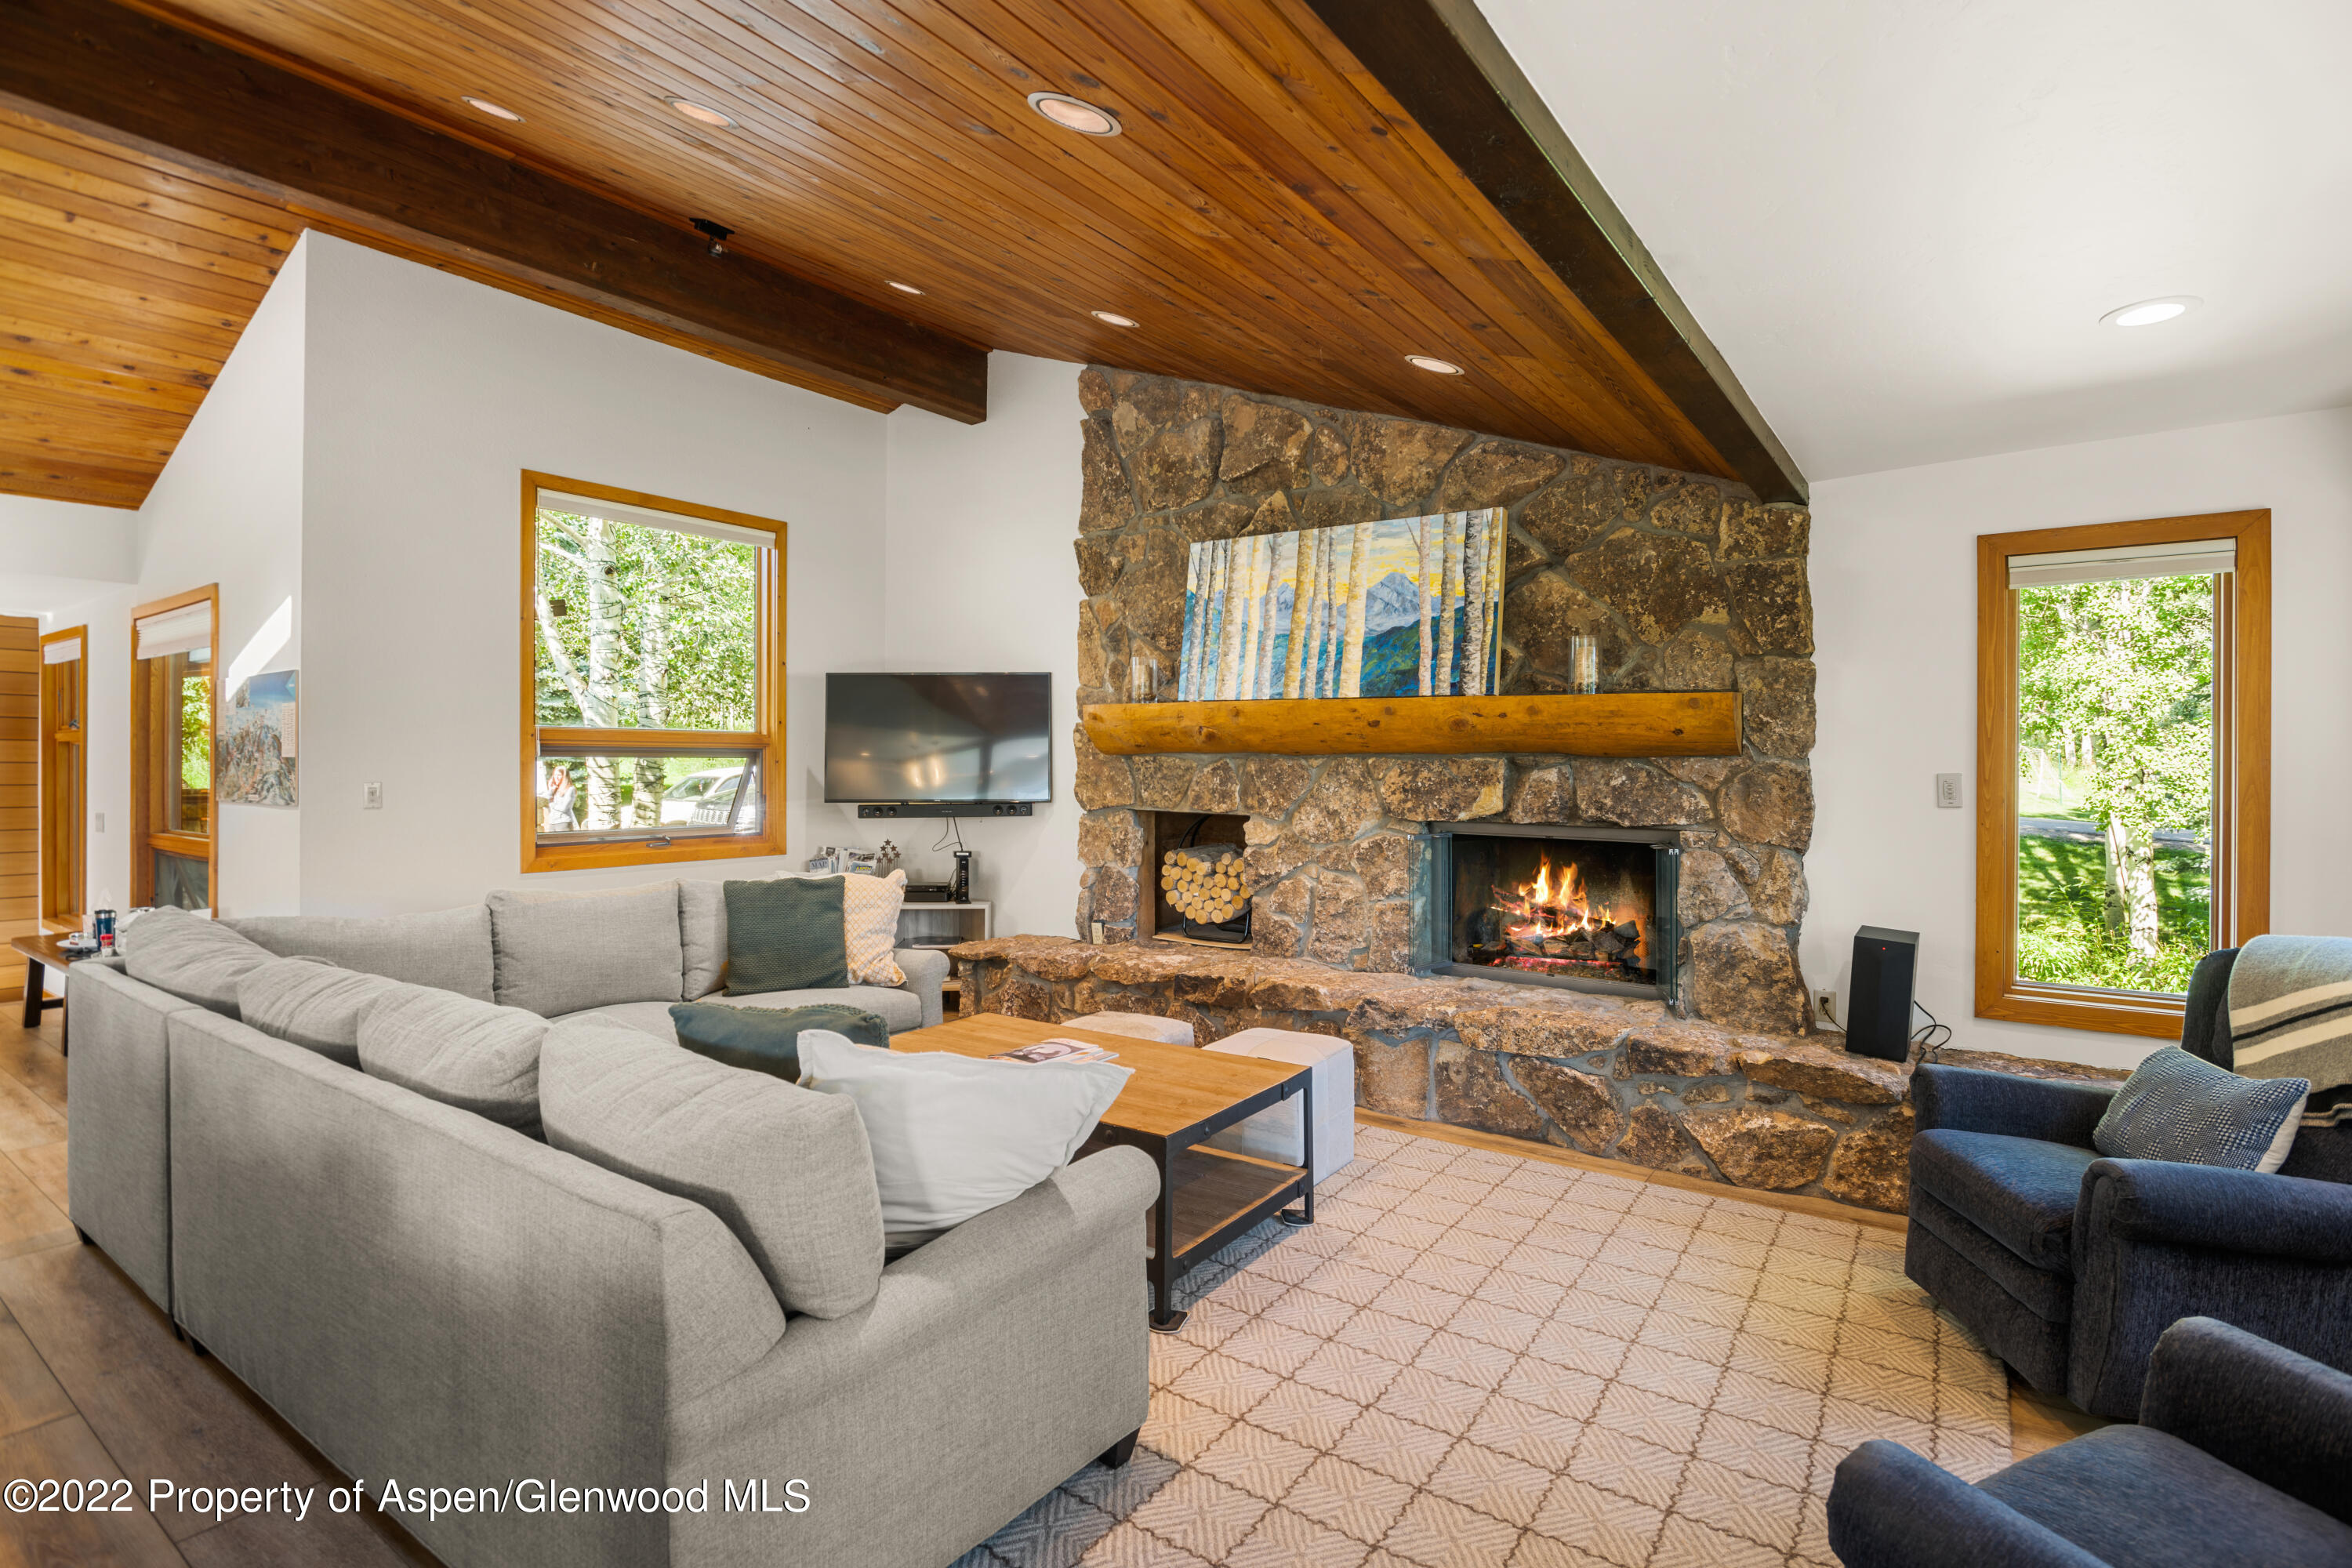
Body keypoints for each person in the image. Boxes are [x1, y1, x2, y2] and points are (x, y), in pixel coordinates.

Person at [543, 765, 577, 833]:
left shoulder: (570, 789)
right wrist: (550, 790)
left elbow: (564, 808)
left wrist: (552, 804)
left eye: (559, 775)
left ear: (564, 777)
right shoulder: (555, 789)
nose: (556, 777)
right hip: (553, 822)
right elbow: (546, 800)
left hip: (564, 823)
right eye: (555, 775)